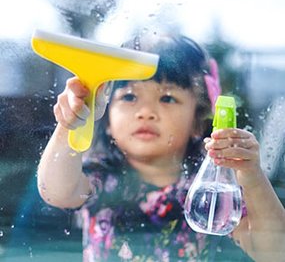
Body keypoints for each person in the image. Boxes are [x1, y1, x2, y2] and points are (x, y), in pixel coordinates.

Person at [37, 31, 285, 262]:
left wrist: (251, 175)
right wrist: (71, 125)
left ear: (197, 122)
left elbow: (275, 252)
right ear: (108, 121)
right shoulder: (104, 176)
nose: (146, 112)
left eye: (167, 98)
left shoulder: (209, 190)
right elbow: (56, 192)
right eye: (129, 97)